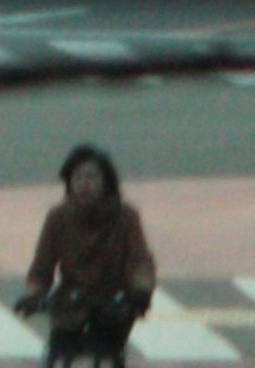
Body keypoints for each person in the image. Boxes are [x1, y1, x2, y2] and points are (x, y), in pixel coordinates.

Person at [21, 148, 155, 356]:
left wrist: (140, 291)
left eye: (92, 177)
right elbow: (42, 264)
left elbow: (140, 261)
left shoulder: (126, 217)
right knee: (59, 354)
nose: (84, 183)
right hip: (70, 304)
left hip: (113, 305)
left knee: (106, 353)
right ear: (69, 183)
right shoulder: (58, 217)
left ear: (107, 182)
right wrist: (32, 295)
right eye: (78, 177)